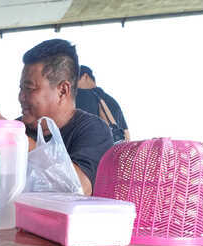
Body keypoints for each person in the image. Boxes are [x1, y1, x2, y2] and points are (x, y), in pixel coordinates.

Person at [13, 39, 114, 195]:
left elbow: (80, 188)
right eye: (21, 89)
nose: (21, 97)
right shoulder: (18, 127)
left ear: (62, 90)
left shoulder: (93, 131)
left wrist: (21, 142)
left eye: (29, 88)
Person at [76, 65, 129, 142]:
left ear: (85, 76)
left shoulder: (79, 95)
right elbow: (126, 135)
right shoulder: (113, 102)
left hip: (90, 149)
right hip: (113, 151)